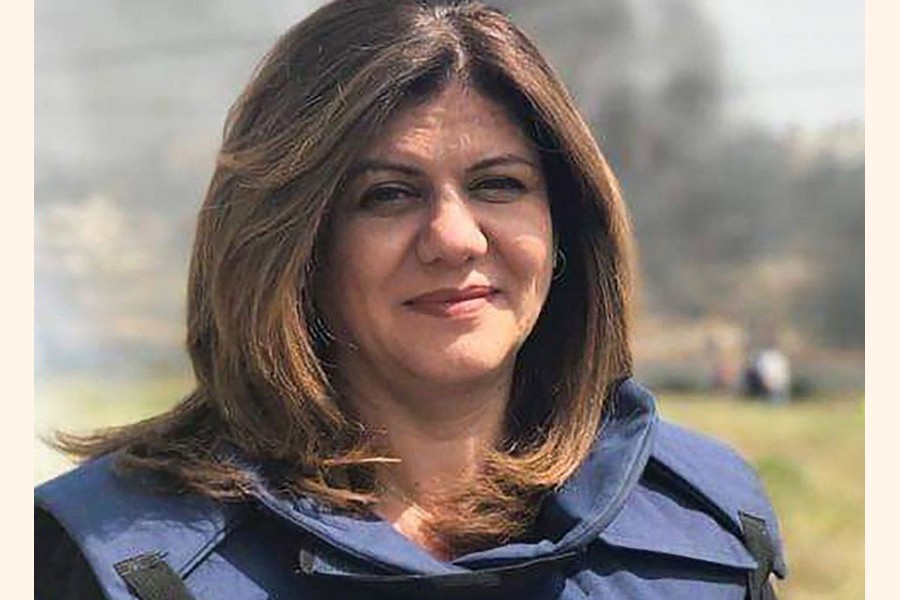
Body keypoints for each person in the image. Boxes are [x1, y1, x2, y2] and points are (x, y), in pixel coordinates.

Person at [35, 1, 786, 598]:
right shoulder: (111, 560)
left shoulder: (709, 536)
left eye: (499, 184)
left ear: (564, 227)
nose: (455, 238)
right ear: (291, 245)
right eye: (389, 195)